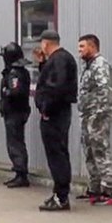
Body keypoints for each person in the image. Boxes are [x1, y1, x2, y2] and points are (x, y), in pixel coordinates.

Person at [35, 30, 79, 212]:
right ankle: (58, 193)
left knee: (57, 155)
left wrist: (46, 109)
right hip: (57, 112)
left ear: (46, 44)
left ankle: (62, 196)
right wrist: (42, 64)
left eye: (42, 44)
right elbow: (51, 81)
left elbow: (56, 87)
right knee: (56, 154)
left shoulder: (60, 59)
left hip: (55, 114)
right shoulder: (57, 60)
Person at [77, 34, 112, 204]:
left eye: (82, 47)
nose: (79, 50)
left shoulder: (100, 65)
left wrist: (97, 115)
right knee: (89, 151)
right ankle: (94, 188)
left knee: (100, 149)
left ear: (92, 47)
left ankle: (107, 190)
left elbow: (105, 91)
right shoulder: (88, 66)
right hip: (87, 115)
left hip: (97, 116)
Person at [0, 42, 32, 188]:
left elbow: (15, 91)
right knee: (16, 142)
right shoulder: (18, 71)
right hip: (16, 112)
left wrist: (6, 92)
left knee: (15, 143)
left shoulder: (14, 73)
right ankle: (19, 172)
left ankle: (21, 174)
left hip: (15, 112)